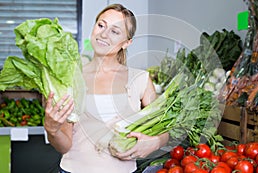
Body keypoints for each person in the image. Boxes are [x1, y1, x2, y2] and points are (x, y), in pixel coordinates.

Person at [43, 3, 169, 173]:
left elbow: (164, 128)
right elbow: (64, 146)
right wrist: (52, 129)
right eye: (101, 25)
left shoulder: (140, 80)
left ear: (127, 42)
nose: (103, 34)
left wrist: (155, 142)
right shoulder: (70, 78)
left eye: (115, 31)